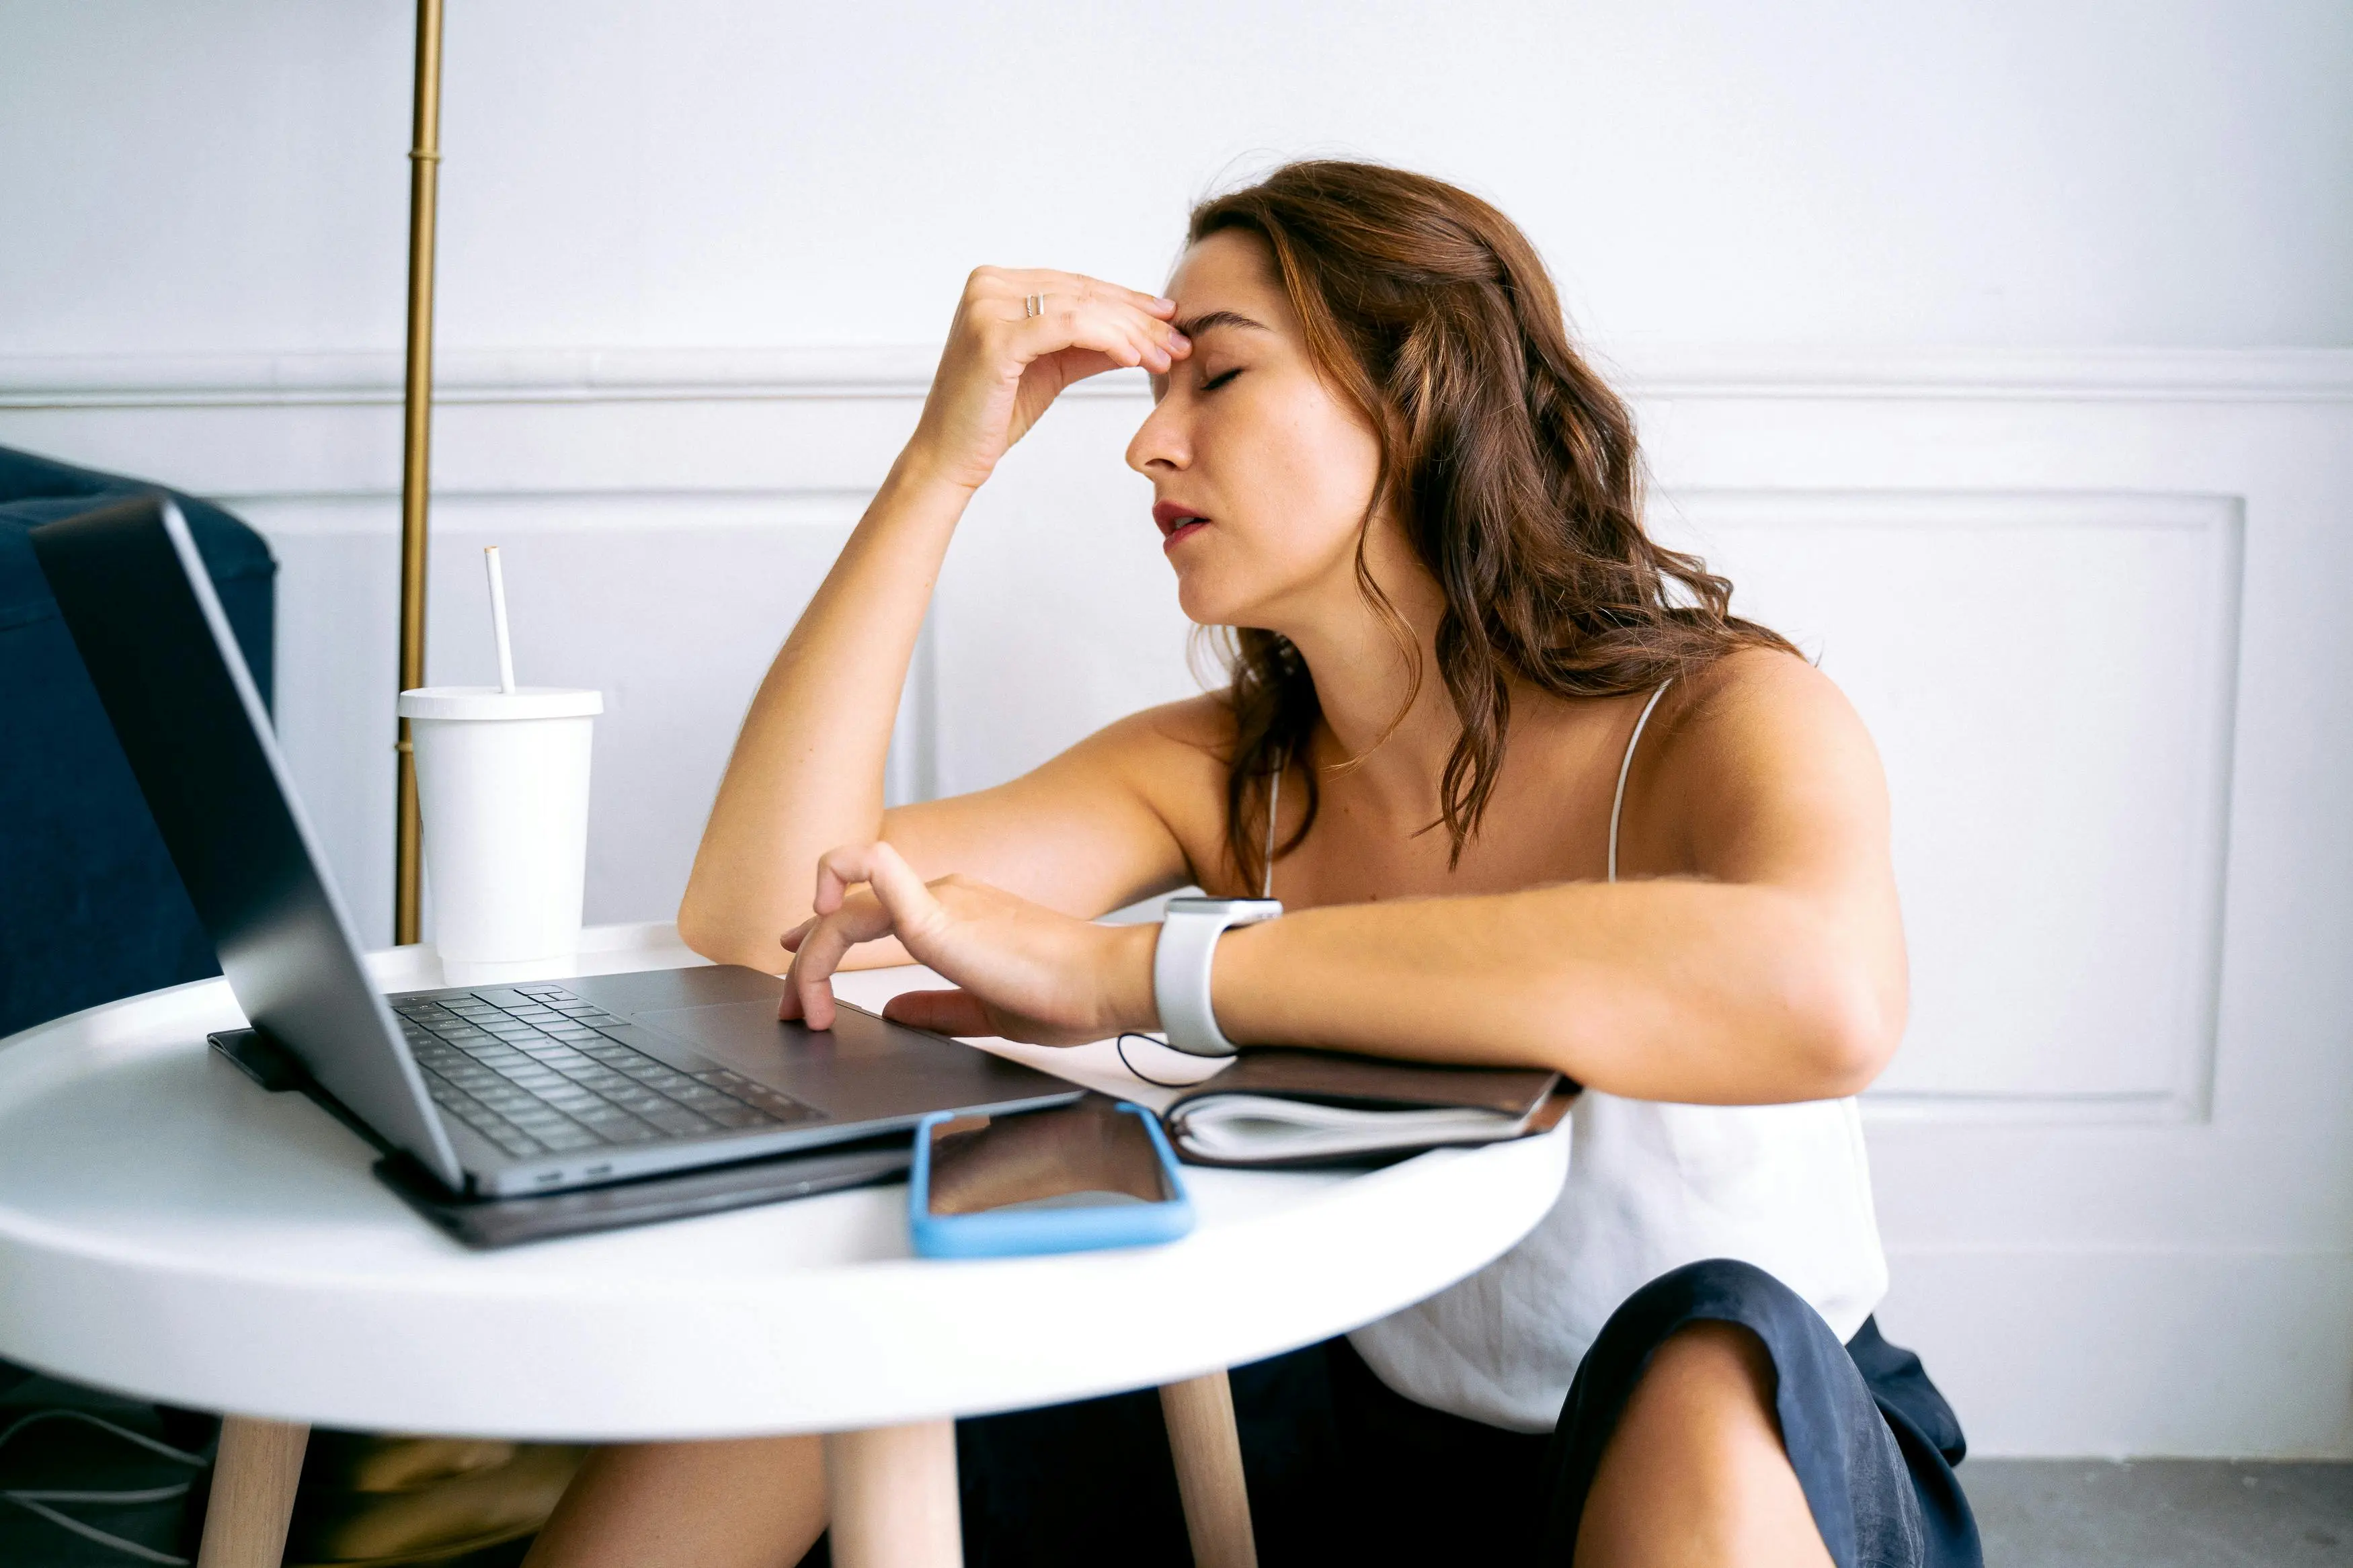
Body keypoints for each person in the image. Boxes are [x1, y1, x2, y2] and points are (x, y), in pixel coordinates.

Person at [522, 161, 1980, 1568]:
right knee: (850, 1346)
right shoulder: (1226, 766)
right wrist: (937, 465)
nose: (1147, 441)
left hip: (1760, 1460)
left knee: (1695, 1357)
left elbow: (1825, 995)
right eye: (1155, 389)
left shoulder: (1717, 710)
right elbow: (761, 917)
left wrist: (1135, 968)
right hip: (1366, 1456)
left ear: (1418, 397)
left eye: (1214, 376)